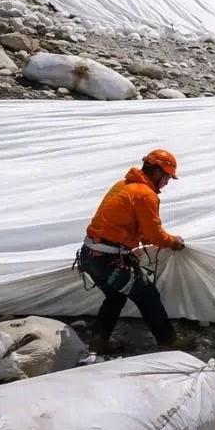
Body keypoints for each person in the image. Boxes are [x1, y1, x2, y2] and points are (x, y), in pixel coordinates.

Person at [77, 149, 193, 354]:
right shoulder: (145, 195)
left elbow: (126, 226)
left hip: (90, 257)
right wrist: (173, 242)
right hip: (108, 260)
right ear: (157, 172)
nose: (167, 183)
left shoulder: (122, 186)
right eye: (167, 177)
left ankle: (98, 342)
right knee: (147, 294)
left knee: (115, 296)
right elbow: (155, 235)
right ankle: (168, 340)